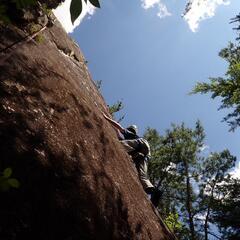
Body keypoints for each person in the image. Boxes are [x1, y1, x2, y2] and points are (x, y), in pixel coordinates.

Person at [102, 112, 162, 207]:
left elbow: (119, 128)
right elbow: (119, 134)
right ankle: (154, 191)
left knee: (119, 145)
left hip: (140, 144)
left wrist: (106, 118)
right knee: (142, 176)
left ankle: (118, 148)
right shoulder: (131, 139)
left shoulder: (130, 135)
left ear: (130, 130)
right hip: (145, 155)